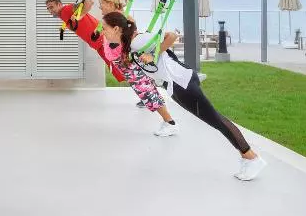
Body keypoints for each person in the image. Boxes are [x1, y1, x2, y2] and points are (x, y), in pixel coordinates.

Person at [100, 11, 267, 181]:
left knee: (215, 119)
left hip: (181, 82)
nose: (103, 32)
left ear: (116, 29)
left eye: (105, 28)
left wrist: (153, 54)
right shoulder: (130, 43)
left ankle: (251, 157)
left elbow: (172, 36)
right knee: (214, 119)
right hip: (175, 84)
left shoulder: (137, 41)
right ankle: (248, 157)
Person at [45, 0, 126, 85]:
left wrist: (80, 16)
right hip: (98, 42)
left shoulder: (67, 9)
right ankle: (135, 84)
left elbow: (89, 3)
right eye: (48, 8)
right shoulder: (63, 15)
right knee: (117, 68)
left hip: (101, 39)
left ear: (59, 4)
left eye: (51, 7)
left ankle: (136, 81)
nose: (50, 10)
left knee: (120, 68)